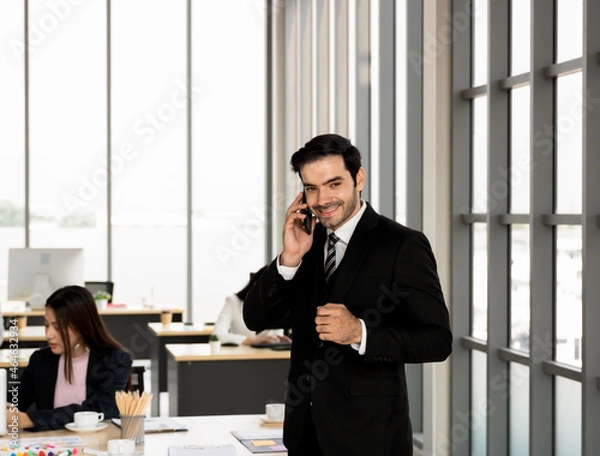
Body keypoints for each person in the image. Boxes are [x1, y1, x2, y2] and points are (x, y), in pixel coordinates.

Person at [243, 133, 452, 455]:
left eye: (334, 184)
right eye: (311, 188)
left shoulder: (402, 245)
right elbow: (255, 318)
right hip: (304, 435)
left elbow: (437, 340)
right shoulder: (305, 243)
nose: (322, 199)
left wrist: (359, 332)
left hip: (370, 439)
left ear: (359, 178)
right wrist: (288, 259)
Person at [8, 285, 132, 431]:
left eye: (58, 328)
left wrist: (27, 420)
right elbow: (16, 400)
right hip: (51, 448)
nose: (49, 334)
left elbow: (96, 410)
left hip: (99, 446)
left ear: (82, 327)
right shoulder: (40, 360)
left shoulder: (115, 361)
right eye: (46, 325)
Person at [213, 266, 290, 346]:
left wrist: (282, 340)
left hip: (270, 355)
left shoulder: (279, 305)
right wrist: (253, 340)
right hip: (243, 355)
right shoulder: (233, 302)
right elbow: (217, 335)